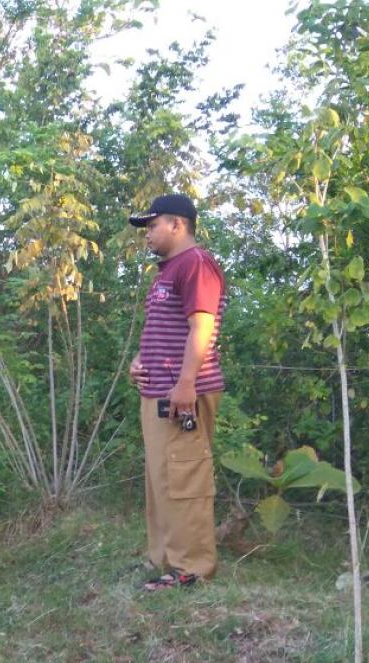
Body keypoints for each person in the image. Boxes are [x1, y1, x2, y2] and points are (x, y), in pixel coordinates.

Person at [127, 193, 227, 591]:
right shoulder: (167, 271)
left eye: (152, 226)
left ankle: (191, 570)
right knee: (162, 478)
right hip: (159, 392)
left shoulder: (196, 265)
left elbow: (202, 328)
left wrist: (186, 383)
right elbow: (163, 330)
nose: (147, 234)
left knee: (185, 478)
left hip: (183, 393)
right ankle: (164, 560)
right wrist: (140, 360)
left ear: (178, 225)